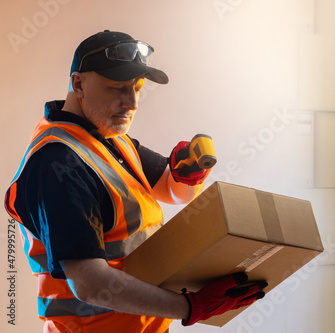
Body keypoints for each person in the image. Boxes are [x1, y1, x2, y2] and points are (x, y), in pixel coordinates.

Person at [4, 30, 266, 333]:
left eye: (137, 88)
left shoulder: (108, 137)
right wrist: (190, 307)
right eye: (117, 88)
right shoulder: (57, 164)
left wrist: (188, 174)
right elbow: (89, 284)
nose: (131, 102)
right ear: (78, 84)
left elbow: (170, 191)